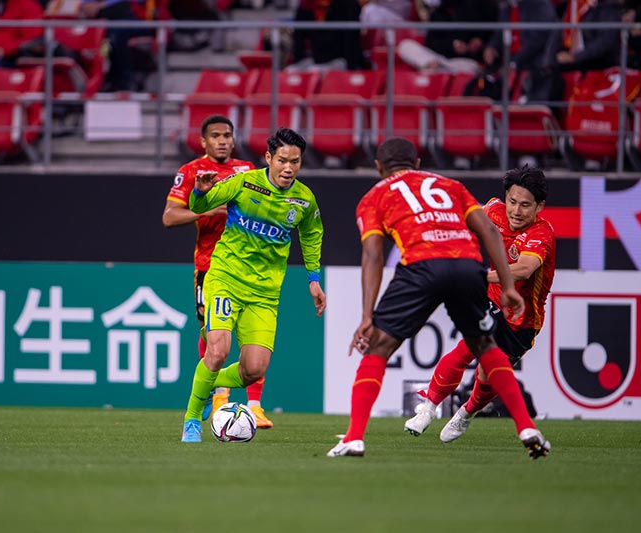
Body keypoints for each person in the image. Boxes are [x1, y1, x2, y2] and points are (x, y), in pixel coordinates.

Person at [327, 137, 549, 459]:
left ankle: (354, 438)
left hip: (422, 265)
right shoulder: (450, 185)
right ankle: (527, 428)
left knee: (378, 347)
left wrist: (366, 317)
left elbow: (373, 255)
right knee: (485, 347)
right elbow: (488, 231)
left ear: (378, 167)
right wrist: (508, 286)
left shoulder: (374, 197)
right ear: (417, 164)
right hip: (467, 265)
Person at [180, 127, 326, 443]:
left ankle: (207, 383)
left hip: (264, 294)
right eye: (282, 160)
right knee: (218, 351)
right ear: (269, 158)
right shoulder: (243, 183)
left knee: (253, 371)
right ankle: (191, 420)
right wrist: (200, 193)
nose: (288, 168)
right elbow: (200, 206)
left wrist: (314, 279)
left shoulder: (303, 199)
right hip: (226, 279)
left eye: (295, 162)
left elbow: (312, 234)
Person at [404, 165, 555, 443]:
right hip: (492, 301)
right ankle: (428, 408)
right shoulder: (493, 210)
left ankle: (466, 412)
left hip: (522, 320)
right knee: (467, 347)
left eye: (525, 205)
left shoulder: (542, 233)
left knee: (487, 376)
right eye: (512, 201)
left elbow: (524, 269)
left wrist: (478, 276)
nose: (516, 211)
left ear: (539, 206)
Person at [163, 115, 275, 430]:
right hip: (210, 266)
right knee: (211, 334)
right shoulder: (191, 171)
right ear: (203, 141)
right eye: (215, 136)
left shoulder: (248, 170)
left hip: (248, 265)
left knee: (251, 336)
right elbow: (169, 217)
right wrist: (206, 208)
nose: (223, 141)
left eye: (227, 135)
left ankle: (255, 406)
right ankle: (215, 394)